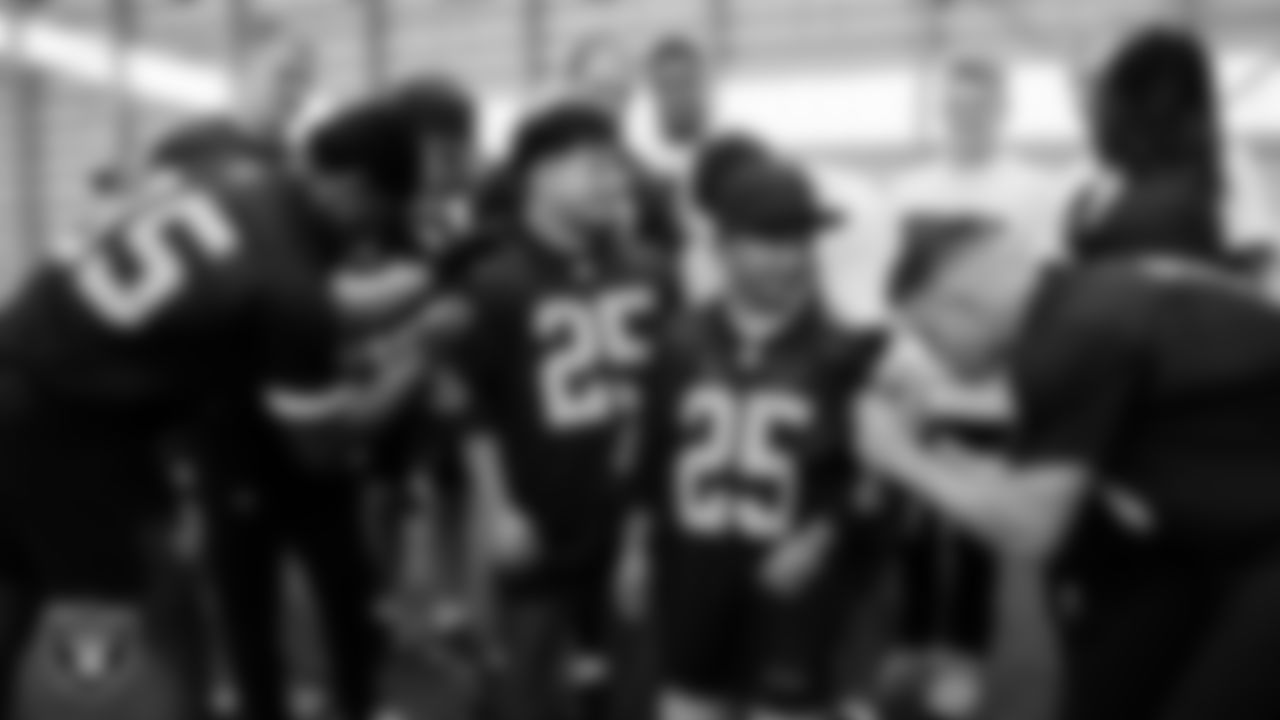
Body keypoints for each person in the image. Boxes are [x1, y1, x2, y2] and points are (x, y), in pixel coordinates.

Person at [0, 91, 436, 720]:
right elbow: (320, 445)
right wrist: (418, 360)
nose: (373, 233)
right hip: (67, 427)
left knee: (22, 590)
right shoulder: (290, 285)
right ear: (357, 189)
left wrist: (421, 290)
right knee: (145, 605)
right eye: (380, 213)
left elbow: (274, 302)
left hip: (28, 368)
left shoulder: (236, 179)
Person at [861, 216, 1280, 720]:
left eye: (928, 335)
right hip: (1205, 547)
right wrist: (946, 462)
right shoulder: (1094, 295)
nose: (935, 359)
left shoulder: (1068, 339)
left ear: (963, 306)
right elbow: (1065, 480)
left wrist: (898, 455)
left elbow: (1032, 529)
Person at [615, 156, 895, 720]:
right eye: (766, 241)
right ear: (723, 248)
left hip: (797, 590)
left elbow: (878, 481)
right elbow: (652, 459)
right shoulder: (678, 342)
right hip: (691, 576)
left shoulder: (849, 353)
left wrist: (822, 536)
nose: (788, 258)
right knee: (688, 704)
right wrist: (634, 549)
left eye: (799, 239)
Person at [435, 102, 674, 720]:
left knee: (636, 684)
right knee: (529, 683)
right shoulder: (493, 282)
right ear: (536, 177)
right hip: (539, 519)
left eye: (617, 167)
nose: (613, 181)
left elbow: (671, 398)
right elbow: (470, 408)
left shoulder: (652, 271)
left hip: (632, 522)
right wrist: (497, 508)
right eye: (593, 166)